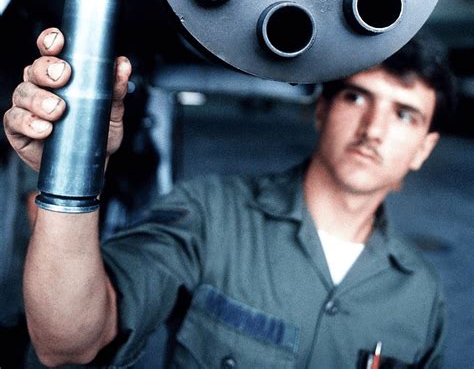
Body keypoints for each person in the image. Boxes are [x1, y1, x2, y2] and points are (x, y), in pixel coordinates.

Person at [3, 29, 455, 368]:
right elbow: (68, 342)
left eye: (404, 115)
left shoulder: (419, 297)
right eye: (357, 98)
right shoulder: (209, 217)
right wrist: (72, 176)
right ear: (320, 109)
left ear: (424, 148)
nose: (373, 130)